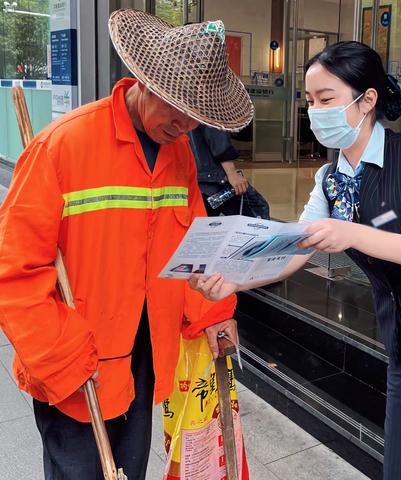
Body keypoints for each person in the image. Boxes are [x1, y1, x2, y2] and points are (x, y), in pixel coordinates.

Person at [190, 41, 401, 479]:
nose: (315, 111)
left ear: (367, 100)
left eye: (326, 99)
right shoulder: (330, 178)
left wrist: (349, 232)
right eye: (310, 100)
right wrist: (236, 280)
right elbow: (295, 246)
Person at [0, 10, 253, 480]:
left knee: (130, 471)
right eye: (176, 107)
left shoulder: (177, 154)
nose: (185, 126)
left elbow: (193, 246)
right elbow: (13, 272)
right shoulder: (63, 146)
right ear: (142, 81)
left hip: (144, 357)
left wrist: (215, 316)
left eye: (196, 117)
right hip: (77, 364)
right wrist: (63, 359)